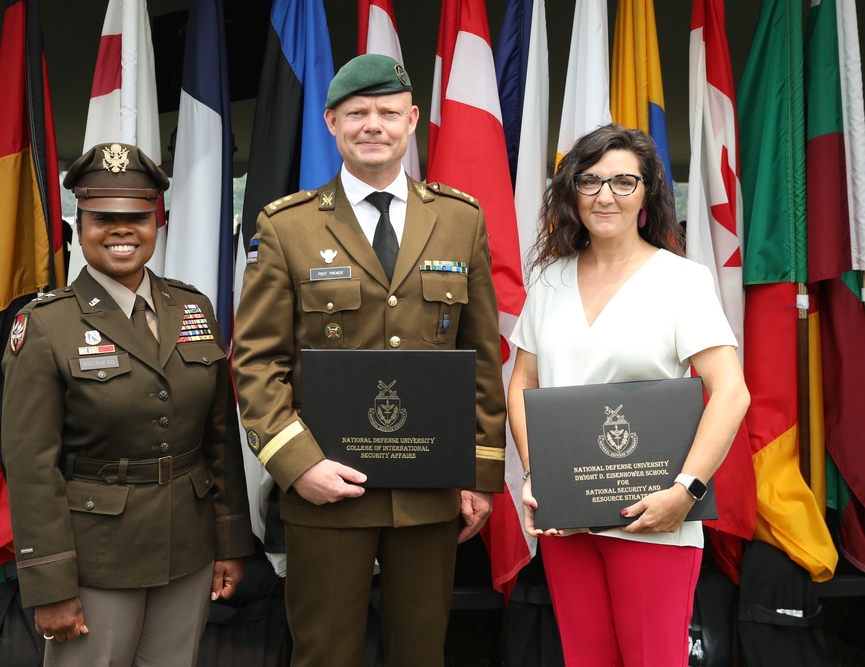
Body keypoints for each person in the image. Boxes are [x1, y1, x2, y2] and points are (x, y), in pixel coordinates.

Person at [232, 54, 506, 666]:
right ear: (332, 122)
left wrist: (481, 474)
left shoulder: (460, 220)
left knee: (420, 652)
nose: (372, 125)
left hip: (430, 488)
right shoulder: (287, 228)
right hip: (327, 487)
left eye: (387, 112)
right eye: (357, 113)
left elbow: (482, 357)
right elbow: (256, 363)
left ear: (412, 121)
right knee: (324, 653)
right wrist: (298, 465)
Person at [1, 142, 254, 666]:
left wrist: (229, 540)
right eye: (103, 218)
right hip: (96, 556)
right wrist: (50, 581)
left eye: (136, 216)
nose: (122, 229)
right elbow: (31, 468)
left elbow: (220, 436)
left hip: (188, 544)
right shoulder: (47, 324)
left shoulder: (191, 307)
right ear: (79, 223)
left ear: (156, 222)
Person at [507, 124, 750, 666]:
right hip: (567, 514)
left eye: (623, 181)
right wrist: (537, 474)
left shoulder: (682, 281)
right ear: (571, 190)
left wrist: (684, 492)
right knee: (584, 659)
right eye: (590, 181)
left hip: (654, 516)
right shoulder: (548, 281)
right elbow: (522, 382)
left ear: (647, 192)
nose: (605, 196)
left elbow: (731, 393)